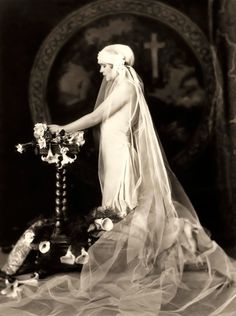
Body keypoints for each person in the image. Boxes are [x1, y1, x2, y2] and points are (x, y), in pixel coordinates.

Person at [1, 44, 236, 315]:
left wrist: (62, 128)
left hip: (121, 155)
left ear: (118, 65)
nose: (101, 71)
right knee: (113, 206)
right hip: (111, 154)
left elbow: (97, 116)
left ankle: (139, 266)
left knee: (124, 208)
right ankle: (126, 266)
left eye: (105, 66)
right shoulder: (117, 87)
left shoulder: (126, 88)